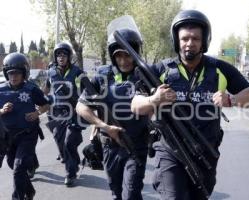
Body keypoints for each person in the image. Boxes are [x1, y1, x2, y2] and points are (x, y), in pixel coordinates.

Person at [131, 10, 249, 200]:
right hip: (170, 150)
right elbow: (134, 105)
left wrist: (230, 100)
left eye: (195, 38)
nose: (189, 43)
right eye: (185, 38)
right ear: (177, 41)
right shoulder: (160, 70)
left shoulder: (219, 69)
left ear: (204, 41)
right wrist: (153, 99)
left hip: (205, 152)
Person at [76, 28, 149, 200]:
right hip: (110, 145)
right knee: (116, 193)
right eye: (119, 56)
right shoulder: (102, 77)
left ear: (135, 53)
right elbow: (80, 106)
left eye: (127, 55)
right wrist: (104, 126)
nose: (123, 61)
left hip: (136, 145)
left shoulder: (145, 76)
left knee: (131, 193)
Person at [0, 52, 50, 200]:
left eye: (17, 73)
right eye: (10, 74)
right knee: (12, 165)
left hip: (28, 134)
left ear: (24, 73)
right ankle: (29, 191)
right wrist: (2, 110)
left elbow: (46, 104)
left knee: (19, 167)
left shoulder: (32, 89)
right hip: (8, 137)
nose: (13, 77)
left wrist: (37, 113)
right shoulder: (0, 90)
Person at [43, 42, 85, 186]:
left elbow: (86, 91)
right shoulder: (51, 72)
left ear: (69, 56)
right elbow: (46, 91)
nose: (61, 57)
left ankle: (70, 173)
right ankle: (74, 160)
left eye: (64, 54)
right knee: (60, 142)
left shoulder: (77, 72)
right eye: (58, 54)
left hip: (73, 112)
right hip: (56, 113)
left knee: (69, 142)